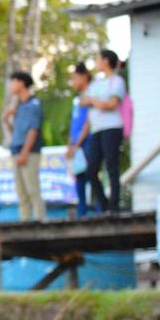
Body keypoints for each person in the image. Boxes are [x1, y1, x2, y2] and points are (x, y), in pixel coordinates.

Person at [82, 49, 127, 213]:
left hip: (112, 127)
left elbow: (111, 104)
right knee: (91, 169)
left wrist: (94, 101)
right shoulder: (96, 84)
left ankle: (114, 206)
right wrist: (97, 103)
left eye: (98, 59)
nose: (96, 62)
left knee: (112, 166)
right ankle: (104, 204)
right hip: (96, 129)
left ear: (106, 61)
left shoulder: (117, 81)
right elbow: (84, 102)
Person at [3, 71, 46, 221]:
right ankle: (25, 223)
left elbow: (33, 130)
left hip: (29, 152)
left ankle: (41, 222)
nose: (11, 86)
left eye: (13, 81)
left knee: (32, 190)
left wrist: (25, 152)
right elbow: (16, 132)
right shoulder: (18, 106)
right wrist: (7, 119)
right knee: (21, 193)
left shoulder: (33, 104)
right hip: (16, 150)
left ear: (21, 83)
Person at [66, 63, 98, 217]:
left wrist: (78, 143)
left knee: (92, 174)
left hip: (88, 141)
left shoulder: (92, 94)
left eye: (75, 78)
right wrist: (71, 144)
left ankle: (99, 210)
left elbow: (89, 121)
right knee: (79, 176)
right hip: (76, 144)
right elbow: (75, 122)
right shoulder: (77, 99)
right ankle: (82, 211)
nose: (73, 82)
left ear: (84, 77)